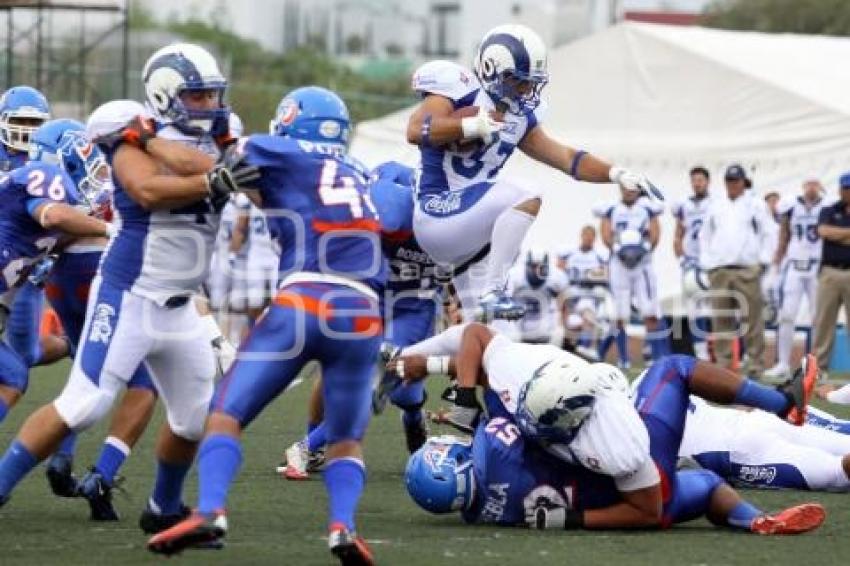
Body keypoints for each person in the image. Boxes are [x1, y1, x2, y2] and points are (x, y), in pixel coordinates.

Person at [0, 41, 254, 534]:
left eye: (213, 95)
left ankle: (163, 507)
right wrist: (215, 175)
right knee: (84, 402)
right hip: (129, 293)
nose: (211, 105)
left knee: (194, 420)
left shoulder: (211, 134)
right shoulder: (124, 125)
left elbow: (244, 173)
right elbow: (148, 190)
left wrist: (200, 163)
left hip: (180, 306)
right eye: (198, 96)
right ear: (164, 96)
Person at [147, 86, 385, 565]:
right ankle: (343, 527)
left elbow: (218, 169)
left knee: (225, 414)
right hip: (364, 312)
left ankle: (211, 508)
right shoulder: (359, 172)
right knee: (345, 439)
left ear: (290, 121)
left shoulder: (277, 149)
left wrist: (146, 140)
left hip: (306, 297)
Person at [403, 350, 824, 533]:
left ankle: (754, 520)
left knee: (709, 484)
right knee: (673, 368)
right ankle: (782, 402)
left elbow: (516, 463)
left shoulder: (486, 515)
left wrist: (571, 521)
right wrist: (453, 379)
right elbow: (494, 378)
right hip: (634, 481)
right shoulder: (493, 447)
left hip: (624, 506)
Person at [406, 23, 661, 323]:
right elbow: (414, 130)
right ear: (490, 68)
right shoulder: (459, 87)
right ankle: (494, 291)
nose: (527, 89)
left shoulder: (520, 117)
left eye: (531, 82)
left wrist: (616, 173)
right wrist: (468, 125)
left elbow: (568, 159)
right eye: (518, 80)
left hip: (470, 231)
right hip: (438, 211)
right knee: (526, 194)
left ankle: (410, 358)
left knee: (485, 340)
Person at [281, 160, 442, 481]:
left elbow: (469, 274)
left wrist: (457, 301)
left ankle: (412, 417)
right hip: (372, 301)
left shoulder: (461, 224)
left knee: (397, 389)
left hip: (414, 308)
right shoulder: (388, 206)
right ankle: (311, 444)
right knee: (339, 369)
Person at [0, 120, 113, 427]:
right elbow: (54, 215)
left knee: (13, 374)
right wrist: (110, 229)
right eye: (90, 162)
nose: (96, 174)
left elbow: (37, 251)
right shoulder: (47, 177)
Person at [700, 164, 775, 379]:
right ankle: (724, 366)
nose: (733, 185)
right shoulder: (715, 204)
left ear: (743, 182)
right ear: (725, 183)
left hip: (747, 269)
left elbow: (769, 232)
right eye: (729, 181)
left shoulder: (755, 204)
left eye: (736, 181)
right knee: (722, 320)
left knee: (752, 319)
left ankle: (755, 365)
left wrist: (763, 262)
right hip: (720, 269)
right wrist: (708, 263)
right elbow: (704, 235)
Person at [594, 186, 669, 368]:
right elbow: (605, 234)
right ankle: (623, 358)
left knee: (649, 310)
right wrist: (619, 250)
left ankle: (654, 356)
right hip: (619, 264)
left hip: (642, 263)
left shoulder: (647, 208)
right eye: (626, 189)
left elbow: (655, 234)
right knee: (620, 313)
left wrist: (642, 250)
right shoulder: (611, 209)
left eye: (633, 189)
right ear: (621, 189)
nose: (629, 192)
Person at [765, 180, 824, 379]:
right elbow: (784, 235)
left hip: (817, 266)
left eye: (815, 184)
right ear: (803, 186)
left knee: (818, 317)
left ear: (821, 187)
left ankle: (817, 366)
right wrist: (776, 262)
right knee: (787, 315)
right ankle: (783, 363)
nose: (811, 188)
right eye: (808, 184)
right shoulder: (791, 206)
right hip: (794, 266)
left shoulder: (827, 206)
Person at [812, 172, 850, 374]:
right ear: (840, 189)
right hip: (830, 271)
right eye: (845, 188)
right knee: (824, 323)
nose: (848, 192)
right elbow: (824, 231)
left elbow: (831, 233)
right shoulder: (828, 210)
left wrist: (838, 235)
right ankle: (817, 369)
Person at [672, 166, 711, 359]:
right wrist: (681, 256)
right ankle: (700, 352)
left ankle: (724, 352)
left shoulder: (715, 203)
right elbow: (678, 234)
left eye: (700, 180)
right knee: (693, 308)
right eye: (694, 180)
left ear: (707, 182)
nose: (697, 183)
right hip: (691, 262)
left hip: (709, 262)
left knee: (715, 306)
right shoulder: (684, 205)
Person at [508, 249, 567, 345]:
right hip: (521, 323)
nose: (537, 270)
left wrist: (562, 323)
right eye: (534, 266)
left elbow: (564, 304)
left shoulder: (557, 277)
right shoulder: (514, 276)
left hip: (545, 323)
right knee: (511, 336)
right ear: (527, 265)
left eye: (541, 267)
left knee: (558, 335)